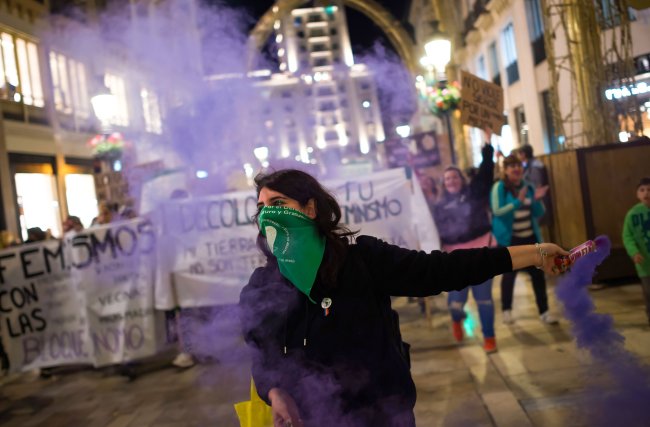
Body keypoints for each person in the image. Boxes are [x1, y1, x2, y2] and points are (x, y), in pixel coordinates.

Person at [239, 169, 569, 427]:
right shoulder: (264, 285)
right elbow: (262, 352)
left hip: (382, 414)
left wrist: (534, 253)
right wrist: (274, 390)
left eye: (279, 205)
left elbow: (441, 270)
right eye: (261, 208)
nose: (268, 215)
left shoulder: (362, 259)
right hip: (312, 417)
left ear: (310, 208)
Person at [433, 141, 497, 353]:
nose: (451, 180)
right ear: (444, 183)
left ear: (461, 179)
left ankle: (489, 337)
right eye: (447, 178)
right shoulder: (439, 206)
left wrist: (487, 148)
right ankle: (457, 320)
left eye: (455, 176)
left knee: (484, 299)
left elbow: (486, 173)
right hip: (455, 258)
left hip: (481, 252)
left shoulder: (475, 194)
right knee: (455, 303)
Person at [491, 154, 558, 325]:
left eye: (518, 165)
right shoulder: (500, 187)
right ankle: (507, 310)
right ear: (505, 170)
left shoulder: (528, 186)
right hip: (510, 240)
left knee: (538, 275)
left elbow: (538, 213)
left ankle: (544, 312)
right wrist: (517, 202)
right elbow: (497, 211)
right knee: (509, 276)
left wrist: (536, 200)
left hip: (530, 238)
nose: (516, 169)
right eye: (511, 166)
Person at [622, 177, 650, 326]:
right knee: (648, 291)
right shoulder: (632, 214)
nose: (646, 193)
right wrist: (634, 252)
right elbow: (627, 236)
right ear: (637, 194)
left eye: (649, 190)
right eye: (642, 190)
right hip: (644, 262)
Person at [516, 144, 551, 225]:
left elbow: (537, 185)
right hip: (535, 199)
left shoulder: (535, 165)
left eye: (519, 154)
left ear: (523, 154)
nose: (518, 157)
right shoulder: (530, 164)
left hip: (539, 199)